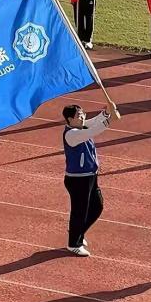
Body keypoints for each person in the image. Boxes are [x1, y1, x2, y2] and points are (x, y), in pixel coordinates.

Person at [61, 102, 116, 256]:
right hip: (78, 180)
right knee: (79, 211)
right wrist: (110, 121)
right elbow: (93, 130)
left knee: (97, 206)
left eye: (83, 114)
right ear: (70, 119)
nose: (83, 117)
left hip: (91, 176)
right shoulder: (71, 134)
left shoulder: (81, 126)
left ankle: (77, 232)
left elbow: (93, 122)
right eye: (79, 116)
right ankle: (73, 244)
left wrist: (107, 113)